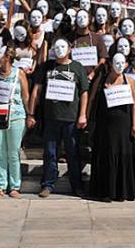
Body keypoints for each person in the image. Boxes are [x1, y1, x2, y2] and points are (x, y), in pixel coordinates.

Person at [28, 38, 90, 198]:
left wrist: (83, 114)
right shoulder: (47, 67)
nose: (60, 50)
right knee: (50, 152)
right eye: (57, 47)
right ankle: (48, 184)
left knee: (73, 152)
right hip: (51, 118)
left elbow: (84, 92)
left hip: (71, 118)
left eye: (63, 46)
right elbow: (36, 90)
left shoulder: (77, 67)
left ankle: (77, 185)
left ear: (70, 48)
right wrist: (31, 113)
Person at [86, 53, 135, 202]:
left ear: (126, 64)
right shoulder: (102, 79)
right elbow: (91, 99)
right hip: (105, 125)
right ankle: (105, 191)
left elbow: (134, 103)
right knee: (106, 153)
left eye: (122, 63)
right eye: (116, 62)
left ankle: (121, 191)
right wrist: (86, 116)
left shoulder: (129, 81)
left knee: (122, 154)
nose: (119, 65)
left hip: (123, 125)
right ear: (110, 64)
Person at [0, 47, 29, 198]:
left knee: (13, 152)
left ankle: (15, 186)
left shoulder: (19, 73)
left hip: (16, 116)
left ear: (6, 58)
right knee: (0, 151)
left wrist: (30, 114)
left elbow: (26, 96)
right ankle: (1, 185)